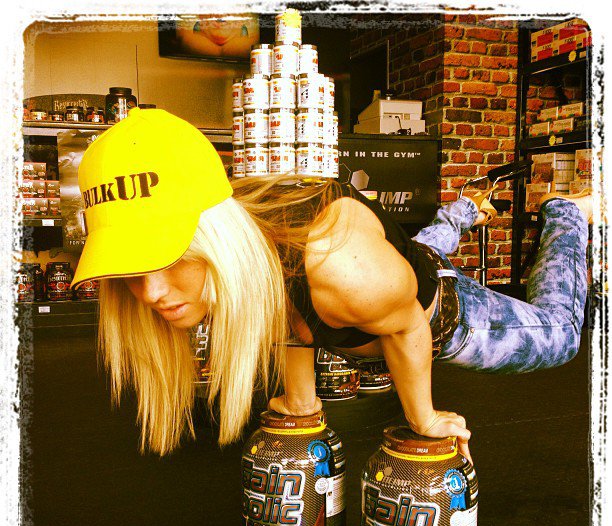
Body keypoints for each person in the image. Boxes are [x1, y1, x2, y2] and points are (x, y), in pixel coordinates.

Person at [71, 108, 592, 461]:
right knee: (420, 252)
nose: (152, 293)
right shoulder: (254, 245)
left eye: (171, 259)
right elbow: (284, 311)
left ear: (215, 237)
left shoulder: (342, 274)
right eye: (130, 271)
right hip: (391, 268)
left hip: (436, 312)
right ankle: (465, 210)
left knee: (564, 333)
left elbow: (406, 325)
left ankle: (568, 213)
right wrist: (302, 401)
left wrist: (425, 417)